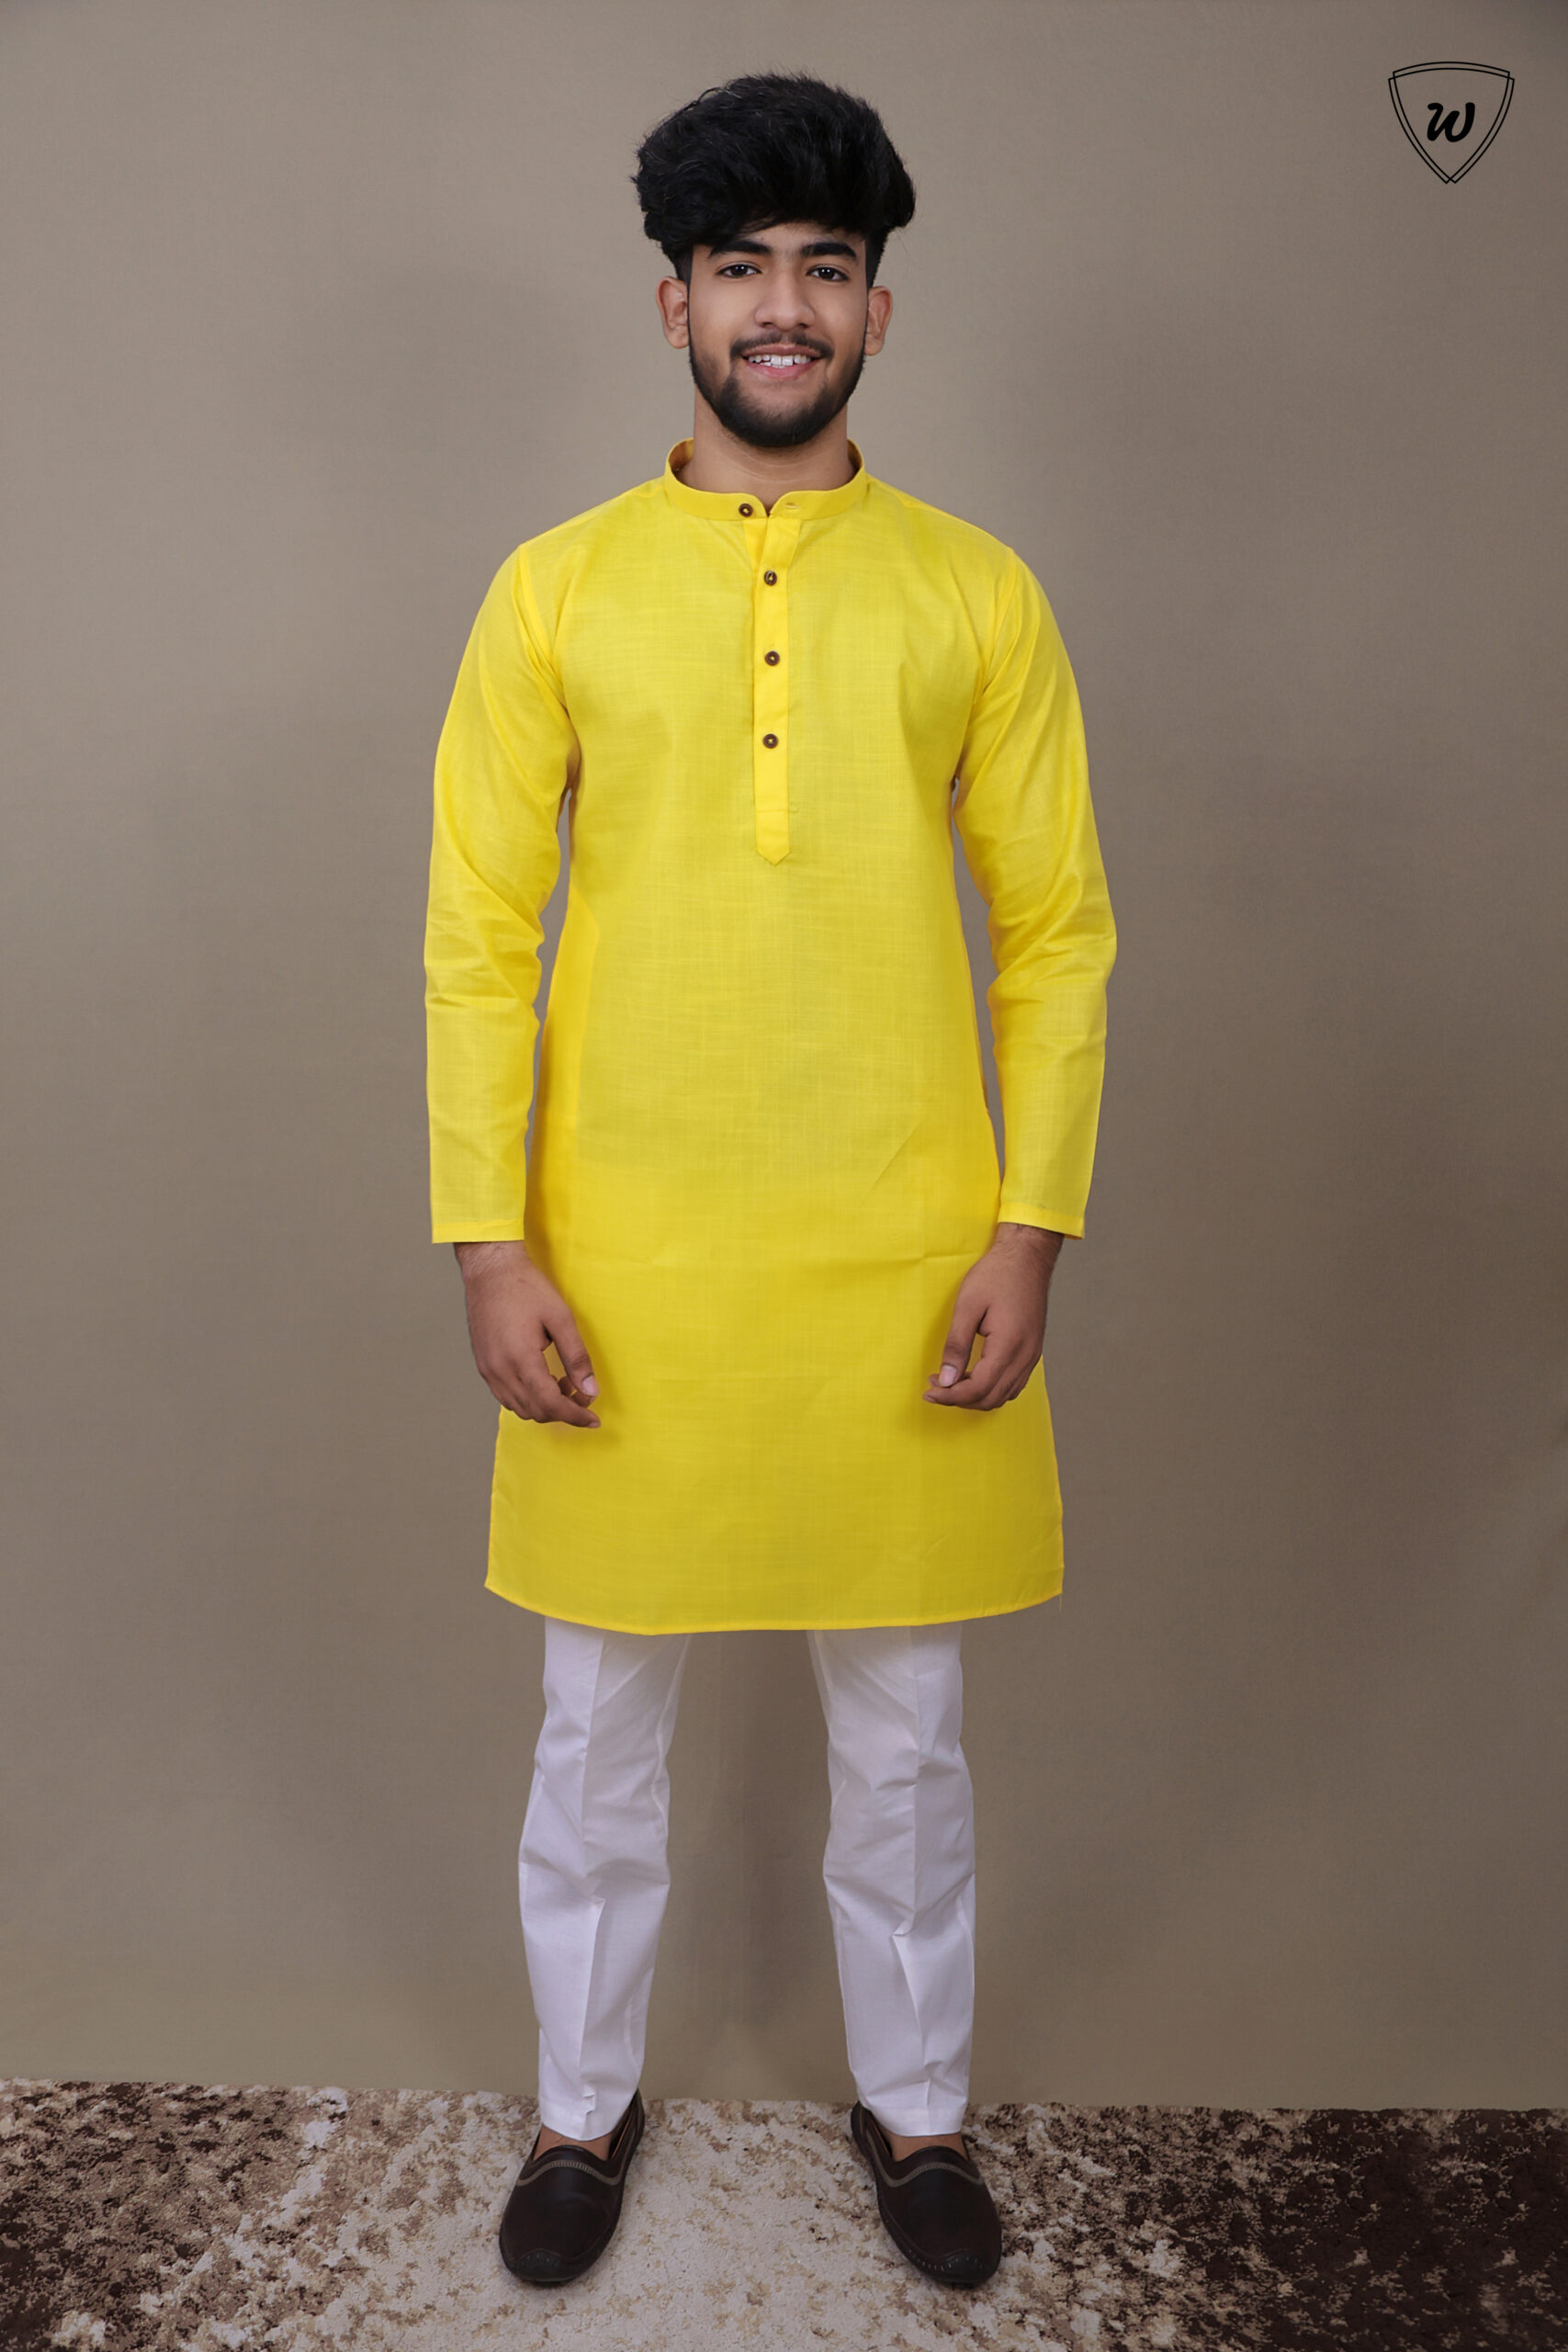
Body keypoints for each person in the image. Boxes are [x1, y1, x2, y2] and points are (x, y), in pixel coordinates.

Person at [423, 70, 1115, 2294]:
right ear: (673, 304)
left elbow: (1057, 930)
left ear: (878, 312)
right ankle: (579, 2104)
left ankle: (915, 2107)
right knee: (593, 1728)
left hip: (898, 1249)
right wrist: (490, 1238)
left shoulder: (972, 591)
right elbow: (476, 938)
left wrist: (1026, 1225)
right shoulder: (551, 590)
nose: (783, 307)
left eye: (826, 268)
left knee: (903, 1736)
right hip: (621, 1253)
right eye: (741, 268)